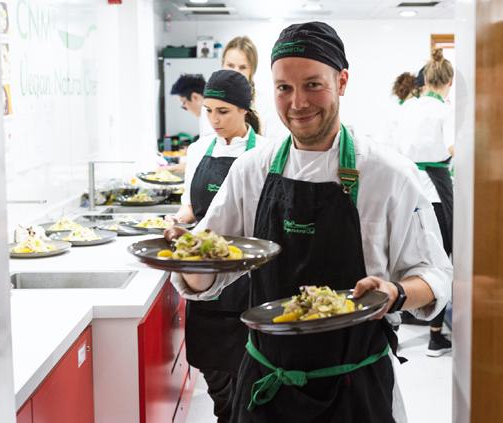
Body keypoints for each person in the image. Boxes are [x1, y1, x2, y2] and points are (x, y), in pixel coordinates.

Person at [169, 22, 452, 422]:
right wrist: (186, 257)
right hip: (267, 386)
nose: (298, 102)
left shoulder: (389, 174)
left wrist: (396, 293)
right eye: (284, 87)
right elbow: (209, 277)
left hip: (355, 389)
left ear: (342, 81)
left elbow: (436, 275)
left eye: (313, 85)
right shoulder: (252, 171)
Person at [170, 69, 268, 423]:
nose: (214, 120)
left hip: (248, 275)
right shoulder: (198, 151)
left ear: (245, 110)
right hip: (205, 272)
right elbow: (190, 206)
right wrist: (176, 223)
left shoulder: (266, 152)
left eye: (223, 111)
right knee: (211, 365)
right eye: (209, 111)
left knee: (246, 369)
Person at [392, 48, 455, 357]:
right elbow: (453, 148)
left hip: (408, 190)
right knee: (440, 260)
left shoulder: (408, 107)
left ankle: (396, 325)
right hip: (437, 193)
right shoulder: (445, 111)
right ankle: (435, 336)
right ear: (448, 83)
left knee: (406, 254)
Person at [221, 36, 262, 134]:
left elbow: (274, 142)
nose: (235, 73)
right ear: (222, 65)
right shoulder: (209, 104)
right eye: (230, 65)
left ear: (252, 71)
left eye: (242, 67)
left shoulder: (264, 105)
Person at [170, 73, 214, 139]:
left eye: (184, 102)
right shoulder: (206, 113)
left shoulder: (209, 117)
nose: (184, 108)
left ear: (195, 97)